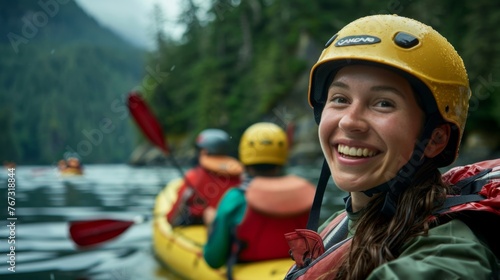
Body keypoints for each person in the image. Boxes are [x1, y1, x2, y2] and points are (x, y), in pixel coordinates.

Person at [284, 14, 500, 280]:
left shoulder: (449, 252)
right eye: (340, 98)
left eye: (383, 103)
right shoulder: (339, 224)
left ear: (435, 139)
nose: (350, 121)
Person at [203, 122, 316, 272]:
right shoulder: (305, 194)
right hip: (296, 270)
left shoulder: (235, 198)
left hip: (246, 269)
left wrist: (211, 225)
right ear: (282, 156)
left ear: (244, 156)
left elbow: (213, 260)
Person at [167, 128, 244, 226]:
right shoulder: (240, 176)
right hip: (232, 225)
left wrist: (170, 221)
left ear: (204, 151)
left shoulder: (194, 176)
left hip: (198, 223)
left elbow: (172, 216)